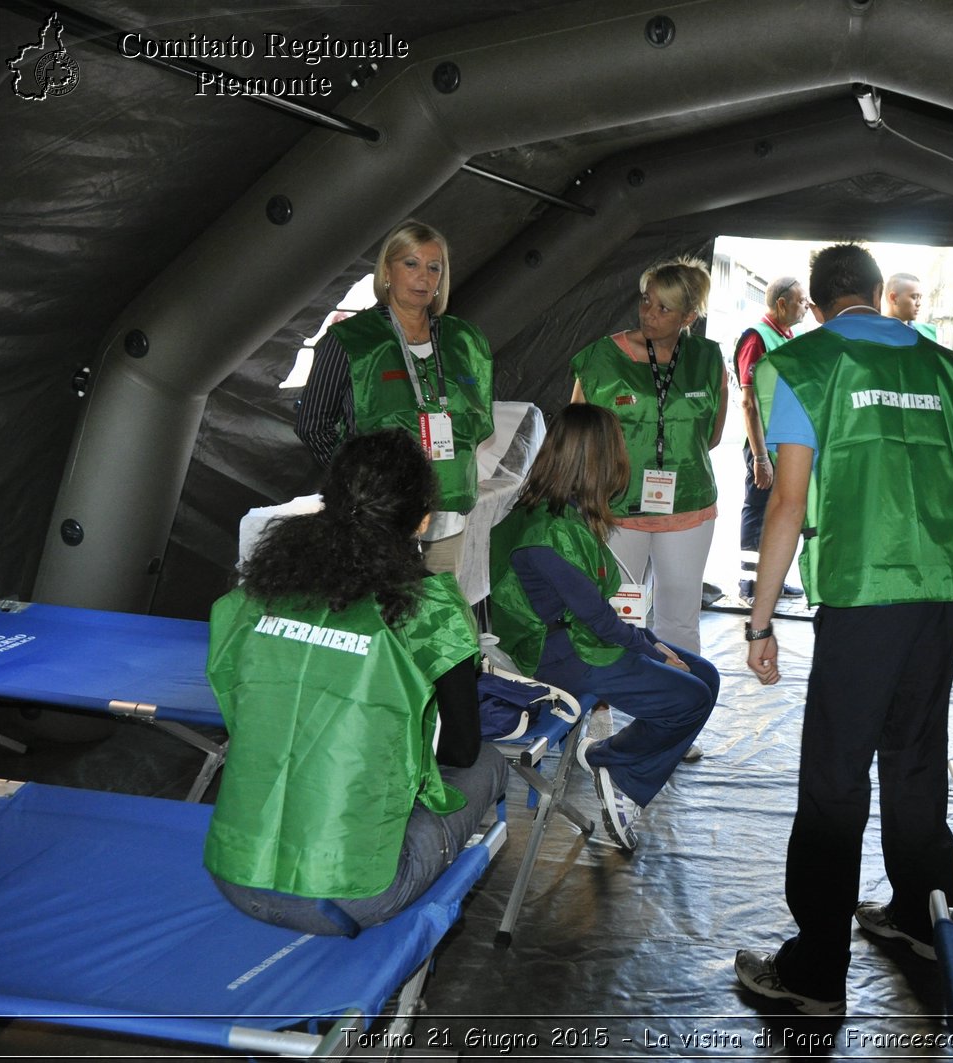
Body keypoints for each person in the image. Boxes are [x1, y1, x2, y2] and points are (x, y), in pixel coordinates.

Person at [734, 244, 953, 1015]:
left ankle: (816, 970)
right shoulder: (942, 367)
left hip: (864, 596)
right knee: (917, 753)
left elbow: (787, 504)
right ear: (877, 293)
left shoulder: (808, 364)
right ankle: (926, 920)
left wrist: (760, 621)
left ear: (821, 303)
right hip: (942, 590)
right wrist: (945, 552)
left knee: (834, 773)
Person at [203, 429, 508, 936]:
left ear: (328, 501)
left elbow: (241, 710)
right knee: (491, 764)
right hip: (352, 896)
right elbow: (460, 749)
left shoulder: (252, 599)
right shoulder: (428, 610)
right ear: (424, 519)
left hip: (235, 876)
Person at [488, 404, 717, 852]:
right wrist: (655, 650)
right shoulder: (548, 533)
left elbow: (597, 615)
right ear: (597, 460)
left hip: (577, 637)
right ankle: (615, 766)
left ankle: (613, 761)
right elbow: (598, 621)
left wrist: (651, 644)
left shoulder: (564, 511)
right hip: (559, 654)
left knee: (706, 675)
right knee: (691, 696)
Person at [570, 257, 725, 759]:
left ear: (689, 316)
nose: (649, 313)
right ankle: (600, 719)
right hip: (615, 510)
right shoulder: (598, 358)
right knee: (616, 613)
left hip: (688, 507)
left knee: (679, 618)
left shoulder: (707, 358)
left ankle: (674, 724)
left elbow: (715, 432)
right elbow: (576, 431)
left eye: (664, 307)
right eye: (645, 300)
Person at [296, 219, 495, 575]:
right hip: (377, 516)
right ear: (387, 271)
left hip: (448, 512)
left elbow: (478, 422)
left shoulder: (466, 341)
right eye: (411, 264)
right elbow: (313, 424)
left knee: (436, 615)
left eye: (434, 267)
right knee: (382, 613)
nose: (424, 276)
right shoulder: (350, 339)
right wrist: (358, 485)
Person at [733, 276, 808, 603]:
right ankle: (749, 584)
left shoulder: (787, 336)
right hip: (762, 443)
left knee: (781, 510)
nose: (805, 306)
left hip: (785, 441)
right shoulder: (756, 338)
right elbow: (749, 402)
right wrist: (760, 458)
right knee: (758, 507)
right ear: (781, 303)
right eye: (801, 301)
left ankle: (773, 581)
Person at [882, 271, 937, 341]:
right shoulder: (874, 333)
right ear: (893, 298)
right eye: (914, 297)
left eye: (920, 297)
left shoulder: (928, 334)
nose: (919, 303)